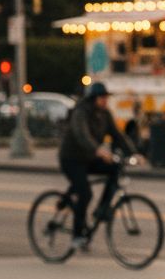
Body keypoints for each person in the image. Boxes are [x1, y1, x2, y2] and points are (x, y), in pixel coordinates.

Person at [58, 82, 139, 246]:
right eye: (102, 98)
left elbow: (118, 135)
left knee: (115, 168)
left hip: (89, 158)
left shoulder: (105, 114)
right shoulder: (81, 112)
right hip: (71, 159)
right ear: (93, 98)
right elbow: (83, 135)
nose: (105, 101)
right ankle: (77, 235)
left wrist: (135, 152)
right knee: (86, 194)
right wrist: (98, 150)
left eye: (106, 98)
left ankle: (101, 210)